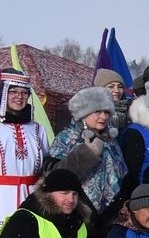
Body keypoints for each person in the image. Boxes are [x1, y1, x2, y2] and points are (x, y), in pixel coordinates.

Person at [48, 86, 128, 223]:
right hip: (78, 210)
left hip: (111, 215)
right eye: (97, 111)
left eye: (106, 112)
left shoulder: (111, 141)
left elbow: (121, 173)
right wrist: (88, 154)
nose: (103, 117)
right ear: (83, 113)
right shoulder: (67, 138)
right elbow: (54, 176)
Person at [0, 69, 50, 229]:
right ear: (3, 93)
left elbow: (46, 164)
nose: (19, 96)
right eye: (13, 92)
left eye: (24, 92)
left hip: (33, 198)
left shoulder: (38, 129)